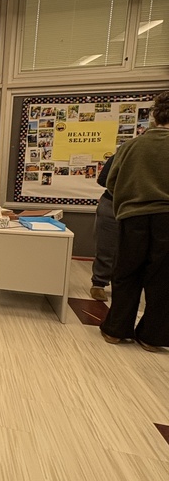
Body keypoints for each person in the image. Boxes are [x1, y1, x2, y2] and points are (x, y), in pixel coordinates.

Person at [100, 91, 169, 351]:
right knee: (163, 278)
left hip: (133, 216)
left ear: (154, 115)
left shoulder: (131, 146)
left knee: (126, 273)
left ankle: (116, 330)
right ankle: (153, 337)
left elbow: (111, 182)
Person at [90, 152, 117, 301]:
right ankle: (99, 283)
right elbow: (103, 179)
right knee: (106, 246)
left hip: (146, 205)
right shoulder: (127, 150)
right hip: (113, 201)